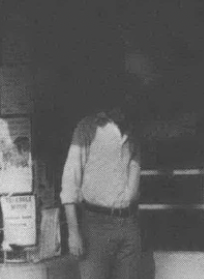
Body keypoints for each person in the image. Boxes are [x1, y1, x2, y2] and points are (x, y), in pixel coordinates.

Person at [60, 88, 142, 279]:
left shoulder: (133, 134)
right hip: (96, 224)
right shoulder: (88, 127)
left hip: (129, 223)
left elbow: (135, 177)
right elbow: (70, 181)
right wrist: (73, 232)